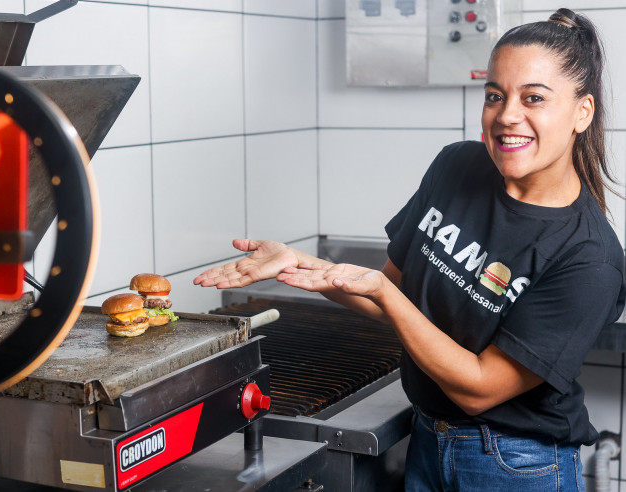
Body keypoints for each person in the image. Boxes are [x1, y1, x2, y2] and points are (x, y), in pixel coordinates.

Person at [194, 8, 625, 491]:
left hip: (514, 464)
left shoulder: (589, 257)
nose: (506, 116)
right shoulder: (457, 167)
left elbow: (480, 388)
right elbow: (394, 292)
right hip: (427, 438)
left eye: (533, 98)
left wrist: (382, 289)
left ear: (581, 112)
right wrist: (302, 264)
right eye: (495, 96)